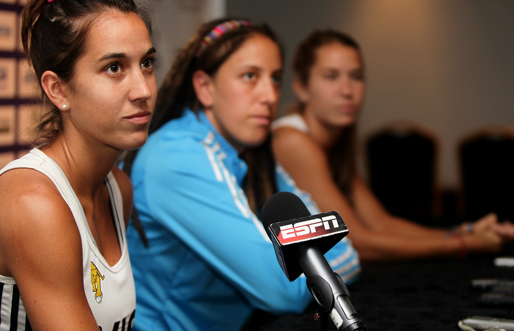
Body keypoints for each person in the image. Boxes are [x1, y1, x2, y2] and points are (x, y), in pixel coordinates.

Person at [121, 19, 360, 331]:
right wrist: (319, 274)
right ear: (205, 88)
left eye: (275, 79)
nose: (270, 96)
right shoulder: (178, 158)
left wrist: (319, 270)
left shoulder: (247, 150)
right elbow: (283, 291)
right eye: (250, 76)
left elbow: (342, 247)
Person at [272, 29, 514, 261]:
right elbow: (356, 241)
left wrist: (464, 231)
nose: (347, 90)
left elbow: (381, 223)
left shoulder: (336, 145)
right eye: (331, 76)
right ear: (301, 88)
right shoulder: (292, 140)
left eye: (356, 76)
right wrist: (466, 244)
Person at [0, 0, 156, 330]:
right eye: (114, 67)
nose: (143, 89)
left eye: (147, 63)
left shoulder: (117, 188)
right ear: (58, 90)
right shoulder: (32, 202)